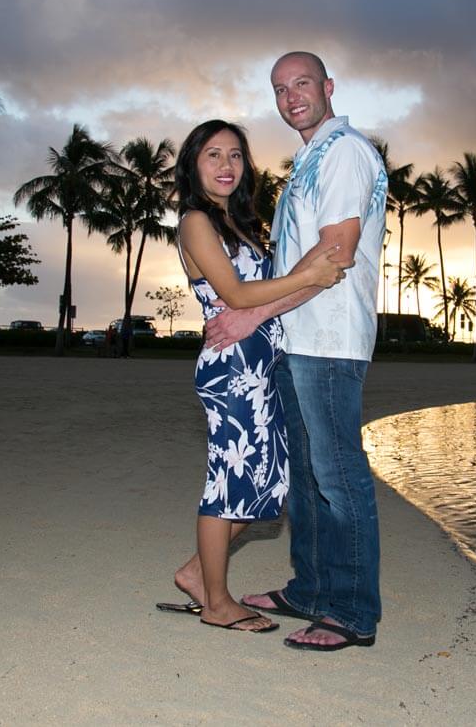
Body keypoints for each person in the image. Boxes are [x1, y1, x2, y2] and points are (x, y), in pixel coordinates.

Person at [205, 52, 388, 651]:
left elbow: (335, 253)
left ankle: (352, 610)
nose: (291, 97)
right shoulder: (309, 159)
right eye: (280, 89)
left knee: (339, 476)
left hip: (330, 339)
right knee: (307, 479)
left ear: (328, 87)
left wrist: (251, 314)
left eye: (302, 84)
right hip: (297, 335)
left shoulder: (344, 152)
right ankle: (310, 588)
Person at [156, 118, 349, 634]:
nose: (226, 165)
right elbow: (238, 297)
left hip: (261, 365)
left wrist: (315, 263)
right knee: (227, 486)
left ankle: (198, 572)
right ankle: (217, 603)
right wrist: (310, 274)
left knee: (269, 484)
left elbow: (263, 291)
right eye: (213, 155)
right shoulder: (196, 221)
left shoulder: (237, 223)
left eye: (235, 155)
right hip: (232, 369)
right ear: (193, 166)